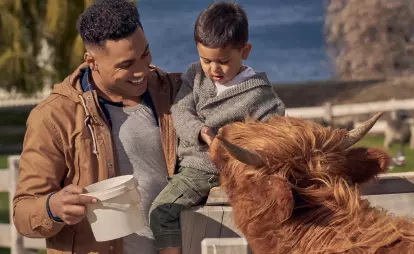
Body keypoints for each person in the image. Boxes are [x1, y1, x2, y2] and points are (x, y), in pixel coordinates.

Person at [12, 0, 182, 253]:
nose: (141, 70)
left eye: (145, 54)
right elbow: (23, 215)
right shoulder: (52, 118)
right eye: (126, 64)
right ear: (92, 61)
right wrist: (53, 208)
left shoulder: (174, 90)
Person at [149, 2, 286, 254]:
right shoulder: (195, 75)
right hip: (190, 163)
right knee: (163, 212)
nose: (213, 69)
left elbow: (272, 138)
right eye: (205, 60)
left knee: (162, 211)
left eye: (223, 61)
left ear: (245, 51)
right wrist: (201, 131)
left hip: (210, 169)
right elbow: (180, 110)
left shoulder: (260, 95)